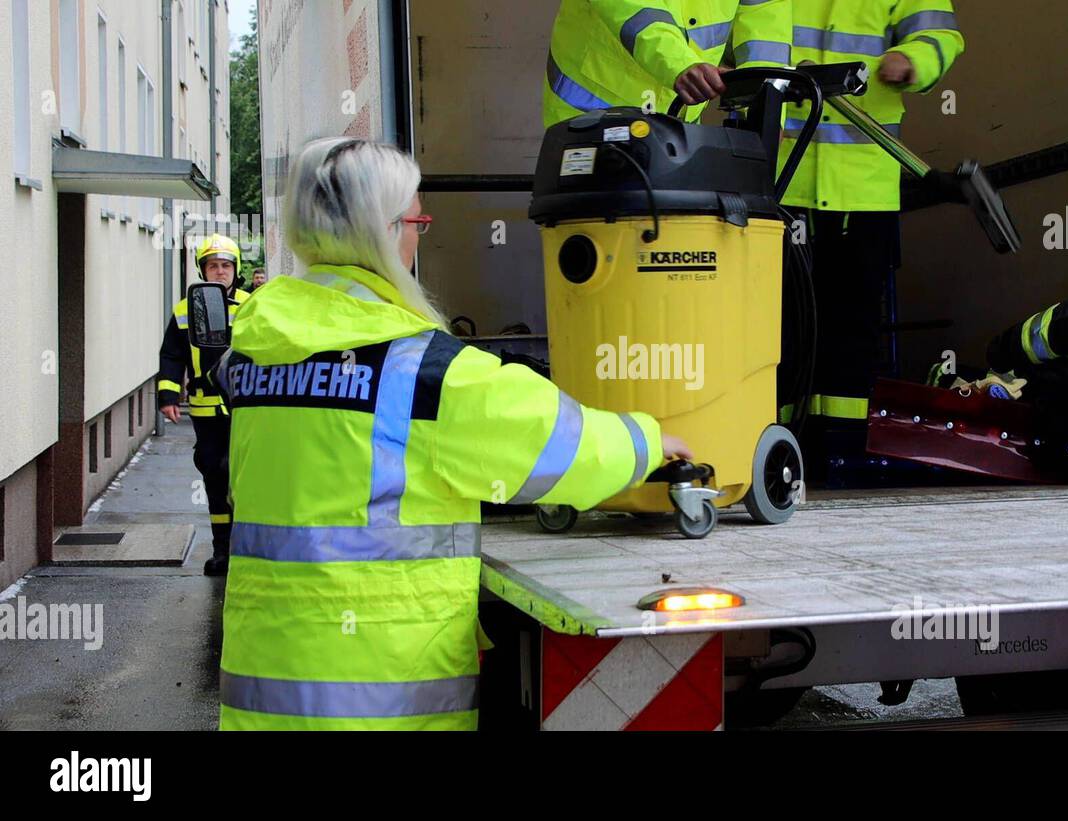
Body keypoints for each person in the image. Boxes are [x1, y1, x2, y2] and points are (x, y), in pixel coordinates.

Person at [211, 138, 692, 730]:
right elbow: (555, 444)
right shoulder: (424, 372)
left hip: (264, 692)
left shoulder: (254, 352)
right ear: (382, 231)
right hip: (382, 698)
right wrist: (646, 441)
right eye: (416, 220)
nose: (419, 235)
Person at [778, 0, 963, 468]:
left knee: (852, 324)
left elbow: (940, 34)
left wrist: (913, 60)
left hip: (862, 187)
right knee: (781, 323)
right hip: (782, 177)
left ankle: (840, 448)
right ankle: (777, 441)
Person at [543, 0, 792, 128]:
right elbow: (633, 9)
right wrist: (679, 64)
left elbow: (765, 24)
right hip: (595, 115)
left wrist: (768, 111)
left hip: (678, 119)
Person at [158, 233, 250, 576]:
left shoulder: (253, 306)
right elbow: (172, 354)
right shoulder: (186, 309)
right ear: (203, 270)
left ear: (236, 269)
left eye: (226, 265)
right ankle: (221, 549)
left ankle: (247, 546)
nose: (220, 272)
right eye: (213, 265)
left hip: (243, 409)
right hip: (204, 409)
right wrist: (168, 395)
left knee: (245, 475)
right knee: (214, 475)